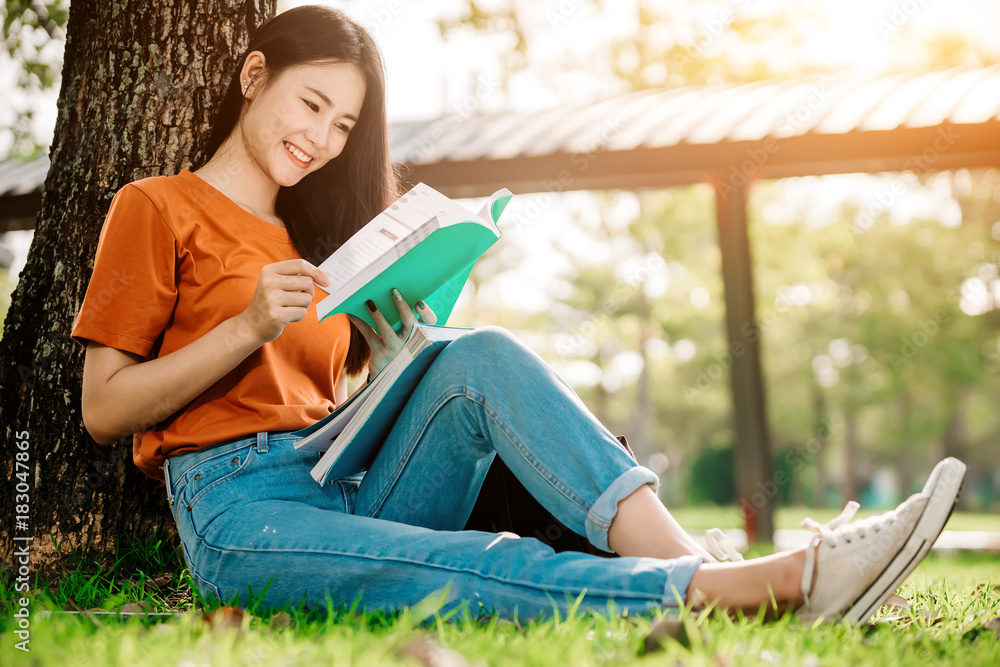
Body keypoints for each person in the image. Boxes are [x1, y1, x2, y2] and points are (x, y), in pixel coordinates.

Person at [70, 5, 964, 624]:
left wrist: (390, 353)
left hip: (343, 466)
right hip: (238, 508)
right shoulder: (157, 207)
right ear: (253, 75)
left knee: (478, 351)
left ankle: (708, 562)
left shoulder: (317, 233)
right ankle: (755, 587)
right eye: (312, 105)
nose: (323, 137)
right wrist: (244, 328)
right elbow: (103, 409)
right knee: (472, 566)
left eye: (345, 126)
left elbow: (326, 394)